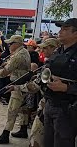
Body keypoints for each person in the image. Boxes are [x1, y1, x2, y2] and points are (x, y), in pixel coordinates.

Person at [0, 35, 31, 144]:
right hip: (22, 83)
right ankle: (23, 130)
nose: (8, 45)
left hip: (18, 85)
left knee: (12, 110)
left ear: (17, 44)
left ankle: (5, 134)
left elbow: (4, 72)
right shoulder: (23, 52)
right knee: (23, 109)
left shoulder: (18, 55)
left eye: (11, 43)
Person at [43, 18, 77, 147]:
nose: (60, 31)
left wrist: (66, 88)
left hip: (68, 108)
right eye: (61, 28)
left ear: (76, 33)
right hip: (50, 103)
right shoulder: (59, 51)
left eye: (66, 29)